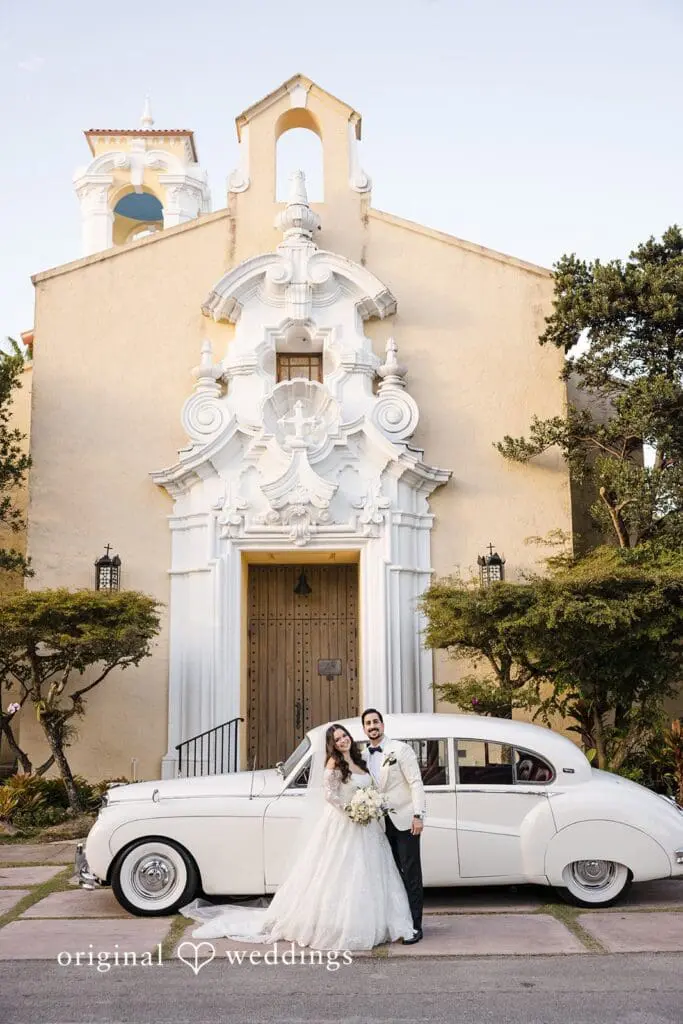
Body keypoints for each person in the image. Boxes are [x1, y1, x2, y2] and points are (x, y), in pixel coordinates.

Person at [180, 723, 414, 950]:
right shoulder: (334, 762)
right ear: (332, 745)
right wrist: (353, 811)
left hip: (367, 827)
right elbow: (331, 796)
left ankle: (377, 922)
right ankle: (339, 925)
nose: (343, 740)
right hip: (345, 822)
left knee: (371, 872)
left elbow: (371, 788)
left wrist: (369, 807)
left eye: (345, 736)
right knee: (339, 872)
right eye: (338, 739)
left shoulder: (360, 759)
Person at [362, 708, 426, 944]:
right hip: (379, 824)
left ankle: (416, 926)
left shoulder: (400, 749)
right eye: (368, 723)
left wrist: (418, 815)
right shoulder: (363, 756)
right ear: (364, 729)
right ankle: (398, 922)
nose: (372, 726)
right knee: (390, 875)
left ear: (382, 725)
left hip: (405, 820)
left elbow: (416, 783)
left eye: (375, 722)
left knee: (411, 873)